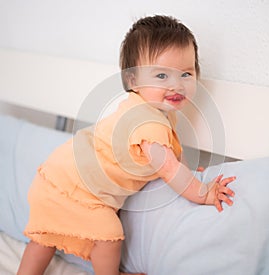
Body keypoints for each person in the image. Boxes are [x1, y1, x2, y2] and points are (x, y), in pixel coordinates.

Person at [17, 15, 236, 275]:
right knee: (110, 236)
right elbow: (169, 170)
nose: (176, 85)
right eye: (162, 75)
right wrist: (203, 193)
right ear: (133, 81)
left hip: (59, 174)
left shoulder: (159, 112)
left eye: (186, 73)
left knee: (44, 238)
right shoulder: (147, 123)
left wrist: (188, 172)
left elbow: (173, 158)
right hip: (75, 186)